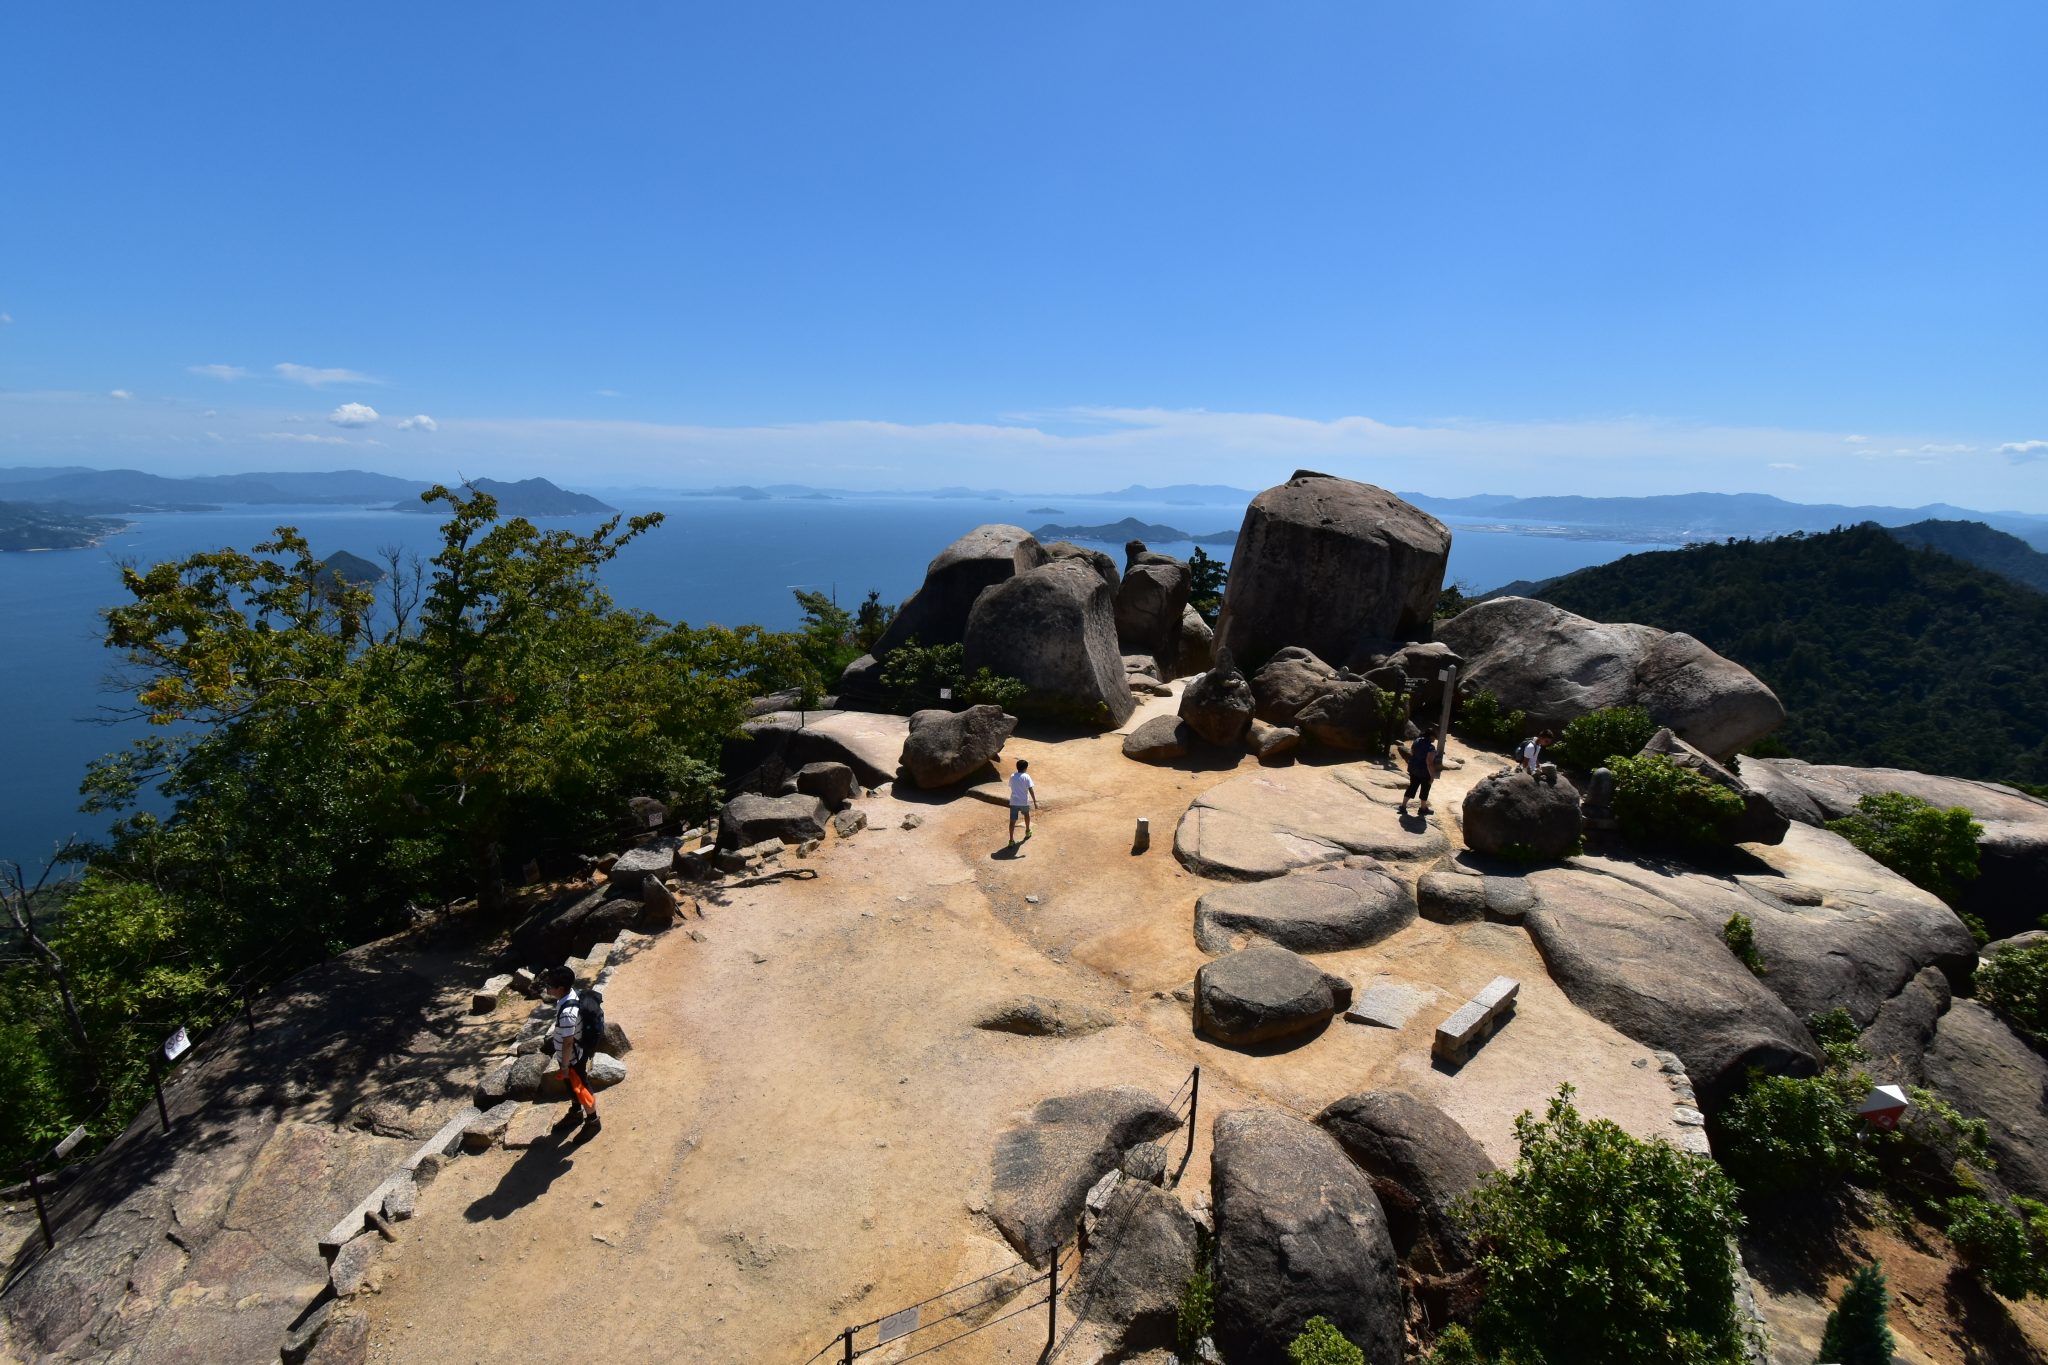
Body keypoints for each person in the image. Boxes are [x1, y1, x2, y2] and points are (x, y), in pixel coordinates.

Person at [542, 964, 600, 1136]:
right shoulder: (569, 995)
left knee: (581, 1087)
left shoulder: (568, 1013)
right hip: (570, 1056)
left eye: (549, 986)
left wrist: (565, 1066)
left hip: (572, 1057)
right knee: (572, 1086)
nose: (547, 988)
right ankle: (576, 1112)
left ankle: (593, 1121)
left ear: (560, 988)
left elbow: (568, 1042)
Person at [1399, 723, 1441, 817]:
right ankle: (1422, 809)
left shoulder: (1417, 741)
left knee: (1412, 787)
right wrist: (1432, 776)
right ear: (1430, 736)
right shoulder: (1431, 748)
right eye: (1434, 737)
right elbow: (1429, 763)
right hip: (1424, 772)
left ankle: (1403, 806)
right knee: (1425, 790)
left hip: (1414, 769)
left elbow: (1412, 752)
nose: (1434, 739)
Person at [1007, 757, 1037, 843]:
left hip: (1013, 802)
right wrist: (1035, 802)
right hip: (1024, 802)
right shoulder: (1026, 776)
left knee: (1012, 821)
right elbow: (1031, 789)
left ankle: (1011, 840)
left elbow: (1011, 786)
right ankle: (1027, 831)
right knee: (1026, 815)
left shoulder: (1012, 776)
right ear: (1025, 768)